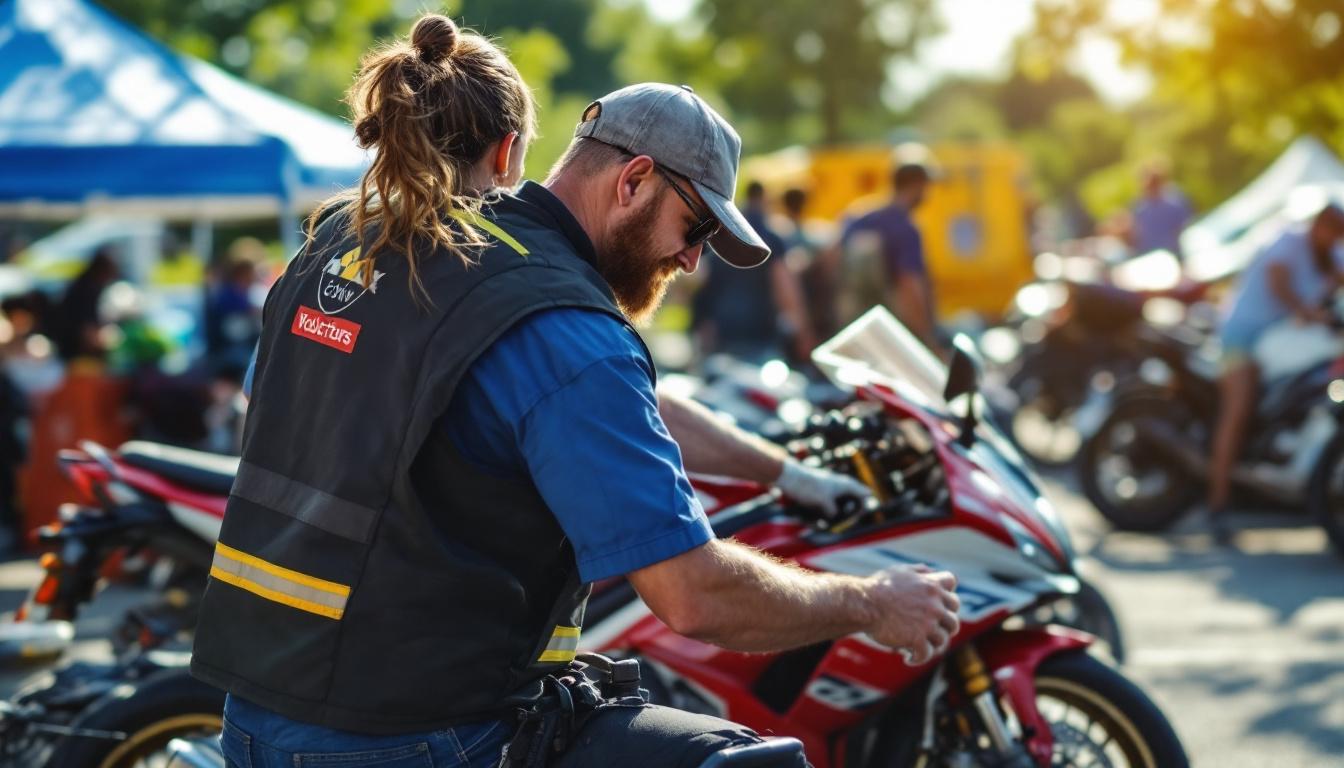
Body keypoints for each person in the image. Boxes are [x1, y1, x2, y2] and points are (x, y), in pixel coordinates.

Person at [193, 15, 959, 768]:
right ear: (633, 182)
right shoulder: (563, 325)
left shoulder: (353, 241)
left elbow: (581, 404)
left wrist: (785, 474)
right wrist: (871, 602)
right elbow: (693, 596)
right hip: (416, 733)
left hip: (254, 712)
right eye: (693, 230)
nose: (691, 262)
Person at [1208, 203, 1344, 543]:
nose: (1335, 239)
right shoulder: (1289, 241)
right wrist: (1311, 313)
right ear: (1320, 226)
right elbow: (1279, 284)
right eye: (1333, 232)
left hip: (1281, 341)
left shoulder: (1329, 256)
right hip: (1245, 336)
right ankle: (1218, 503)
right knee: (1238, 411)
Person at [826, 144, 944, 357]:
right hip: (893, 336)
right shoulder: (905, 228)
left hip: (855, 331)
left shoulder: (858, 216)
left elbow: (831, 262)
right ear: (917, 184)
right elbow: (910, 285)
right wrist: (927, 339)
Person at [691, 181, 816, 364]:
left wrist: (701, 323)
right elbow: (785, 289)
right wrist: (803, 334)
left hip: (722, 330)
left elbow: (701, 281)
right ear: (764, 199)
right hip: (760, 334)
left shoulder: (720, 232)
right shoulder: (770, 237)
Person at [1128, 162, 1192, 261]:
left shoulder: (1174, 204)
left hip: (1174, 255)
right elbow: (1136, 235)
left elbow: (1185, 229)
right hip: (1150, 257)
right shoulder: (1138, 208)